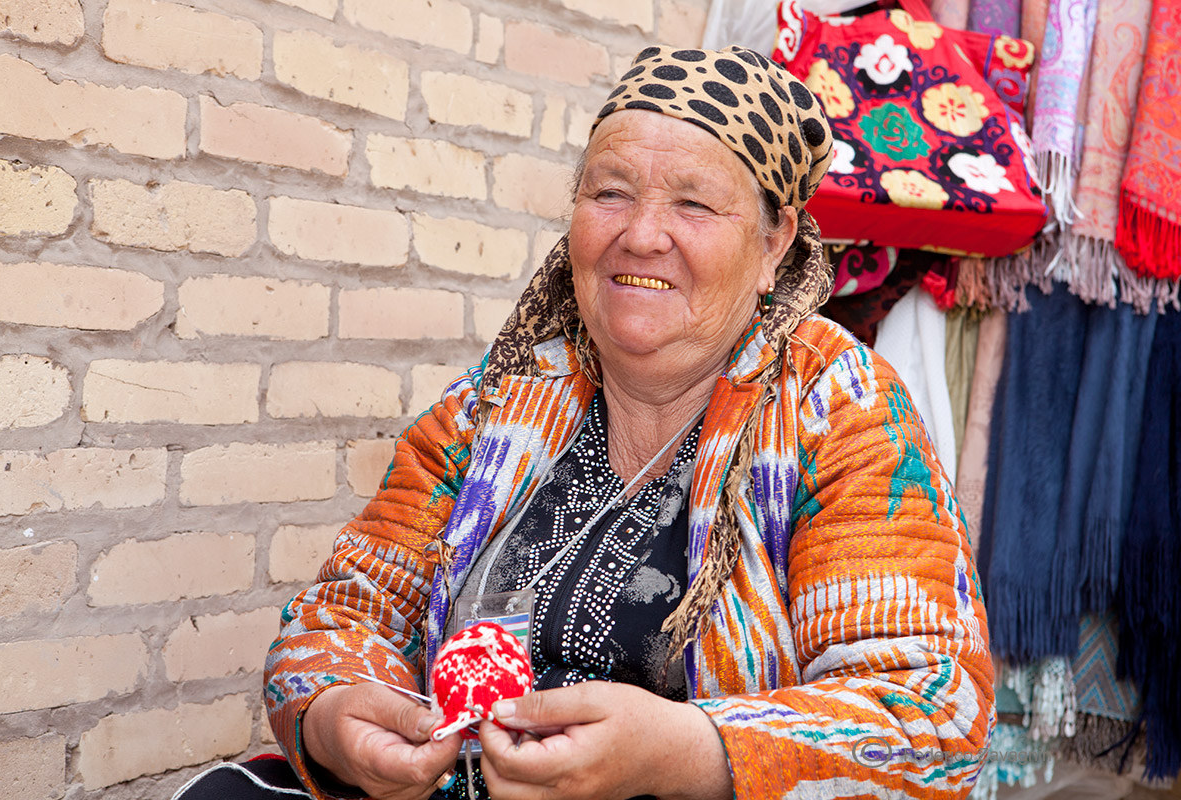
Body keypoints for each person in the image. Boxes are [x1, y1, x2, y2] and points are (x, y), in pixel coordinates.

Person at [261, 45, 995, 800]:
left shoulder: (837, 409)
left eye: (694, 203)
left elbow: (931, 718)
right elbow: (345, 613)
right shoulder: (496, 404)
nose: (641, 234)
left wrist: (684, 752)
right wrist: (334, 715)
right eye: (610, 192)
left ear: (773, 245)